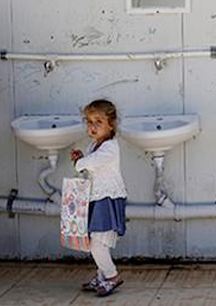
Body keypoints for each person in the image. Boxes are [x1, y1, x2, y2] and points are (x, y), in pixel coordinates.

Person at [70, 99, 127, 297]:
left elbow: (93, 163)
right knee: (96, 241)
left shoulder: (109, 147)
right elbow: (88, 167)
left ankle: (112, 276)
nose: (92, 126)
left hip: (107, 199)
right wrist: (81, 160)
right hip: (97, 198)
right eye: (89, 121)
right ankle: (102, 275)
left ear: (111, 124)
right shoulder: (94, 145)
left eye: (98, 122)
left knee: (97, 243)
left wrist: (81, 163)